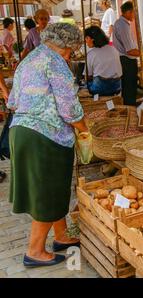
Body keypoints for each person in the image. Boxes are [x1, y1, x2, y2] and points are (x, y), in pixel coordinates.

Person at [7, 23, 89, 267]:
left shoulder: (29, 59)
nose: (71, 55)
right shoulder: (56, 64)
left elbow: (12, 101)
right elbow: (69, 109)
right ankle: (35, 251)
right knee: (46, 192)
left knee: (50, 189)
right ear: (64, 46)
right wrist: (85, 130)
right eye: (71, 51)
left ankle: (61, 236)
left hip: (21, 132)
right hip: (45, 137)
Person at [113, 1, 143, 106]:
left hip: (124, 60)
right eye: (134, 12)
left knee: (129, 88)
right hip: (126, 61)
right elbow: (130, 50)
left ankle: (129, 108)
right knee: (129, 88)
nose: (136, 15)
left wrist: (141, 55)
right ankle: (130, 110)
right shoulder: (122, 25)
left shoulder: (122, 23)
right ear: (128, 12)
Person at [84, 26, 122, 96]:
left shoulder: (91, 54)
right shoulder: (113, 49)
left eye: (86, 38)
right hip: (117, 86)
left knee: (84, 84)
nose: (86, 41)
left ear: (92, 39)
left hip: (99, 88)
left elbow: (88, 75)